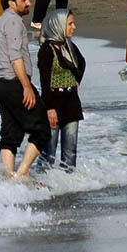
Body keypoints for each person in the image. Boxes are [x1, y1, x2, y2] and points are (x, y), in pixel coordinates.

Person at [0, 0, 48, 179]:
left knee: (10, 133)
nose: (29, 3)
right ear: (11, 3)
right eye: (23, 0)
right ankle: (22, 174)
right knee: (42, 128)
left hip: (1, 86)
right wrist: (27, 87)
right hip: (15, 83)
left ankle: (8, 178)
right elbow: (16, 58)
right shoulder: (14, 22)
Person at [37, 9, 86, 170]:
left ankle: (69, 186)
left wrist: (76, 80)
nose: (74, 27)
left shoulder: (69, 47)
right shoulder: (46, 50)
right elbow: (44, 83)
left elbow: (82, 62)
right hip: (54, 103)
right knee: (48, 152)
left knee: (70, 152)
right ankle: (43, 184)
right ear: (57, 25)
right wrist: (49, 108)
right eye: (70, 23)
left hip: (72, 104)